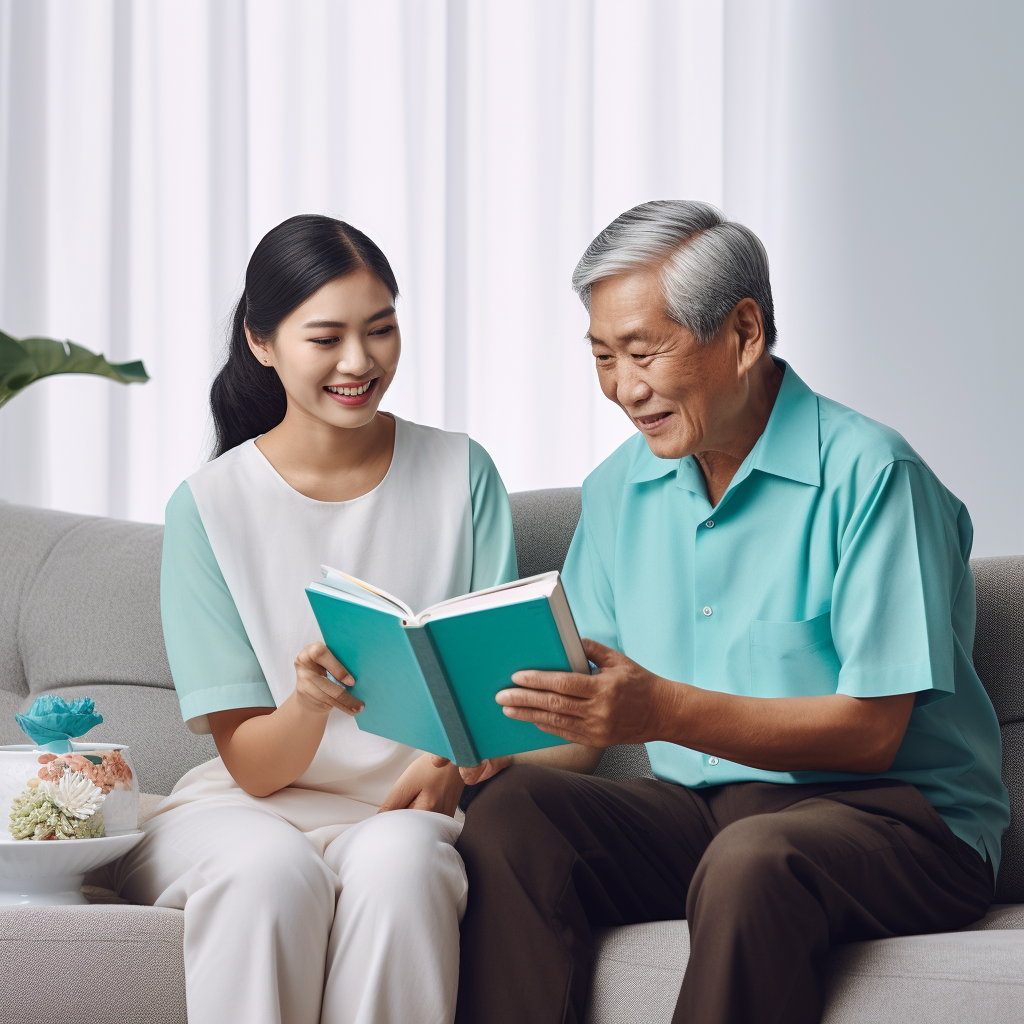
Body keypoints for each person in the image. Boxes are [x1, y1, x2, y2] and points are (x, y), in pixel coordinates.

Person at [452, 200, 1010, 1024]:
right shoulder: (617, 492)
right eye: (603, 356)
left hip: (901, 819)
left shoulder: (873, 476)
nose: (623, 388)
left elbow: (873, 730)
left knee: (753, 859)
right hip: (707, 816)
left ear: (744, 334)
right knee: (512, 815)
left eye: (644, 351)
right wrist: (485, 755)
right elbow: (582, 725)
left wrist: (663, 709)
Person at [112, 213, 520, 1024]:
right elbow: (256, 770)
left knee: (405, 869)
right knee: (270, 872)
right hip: (243, 810)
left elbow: (499, 697)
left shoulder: (462, 474)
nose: (359, 363)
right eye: (325, 337)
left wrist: (452, 764)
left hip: (407, 811)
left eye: (381, 330)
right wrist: (306, 700)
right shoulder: (210, 507)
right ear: (262, 342)